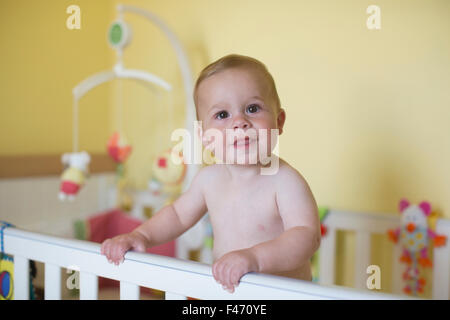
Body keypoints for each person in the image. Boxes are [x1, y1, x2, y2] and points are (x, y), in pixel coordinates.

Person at [101, 54, 321, 293]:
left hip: (283, 295)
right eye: (222, 115)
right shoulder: (209, 180)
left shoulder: (285, 180)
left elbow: (307, 236)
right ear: (204, 136)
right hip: (229, 292)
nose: (239, 122)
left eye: (252, 108)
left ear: (279, 121)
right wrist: (140, 235)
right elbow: (176, 215)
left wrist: (254, 258)